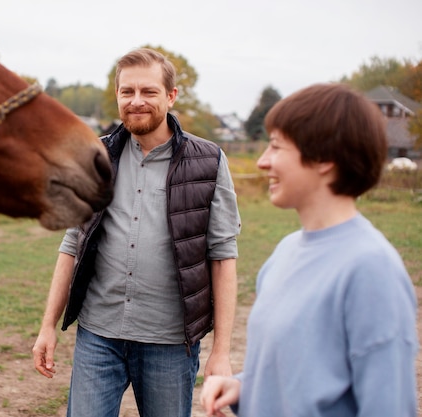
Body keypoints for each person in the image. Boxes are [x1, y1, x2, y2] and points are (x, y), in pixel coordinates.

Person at [32, 47, 241, 417]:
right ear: (117, 96)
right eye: (127, 92)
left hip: (171, 344)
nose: (136, 101)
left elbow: (222, 257)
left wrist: (221, 351)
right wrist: (48, 326)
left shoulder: (209, 161)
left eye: (149, 91)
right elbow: (71, 245)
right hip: (98, 335)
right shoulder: (94, 157)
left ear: (171, 96)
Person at [200, 83, 419, 417]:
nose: (262, 161)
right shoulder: (285, 253)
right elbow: (301, 371)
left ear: (324, 159)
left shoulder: (373, 271)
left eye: (276, 147)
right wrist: (243, 386)